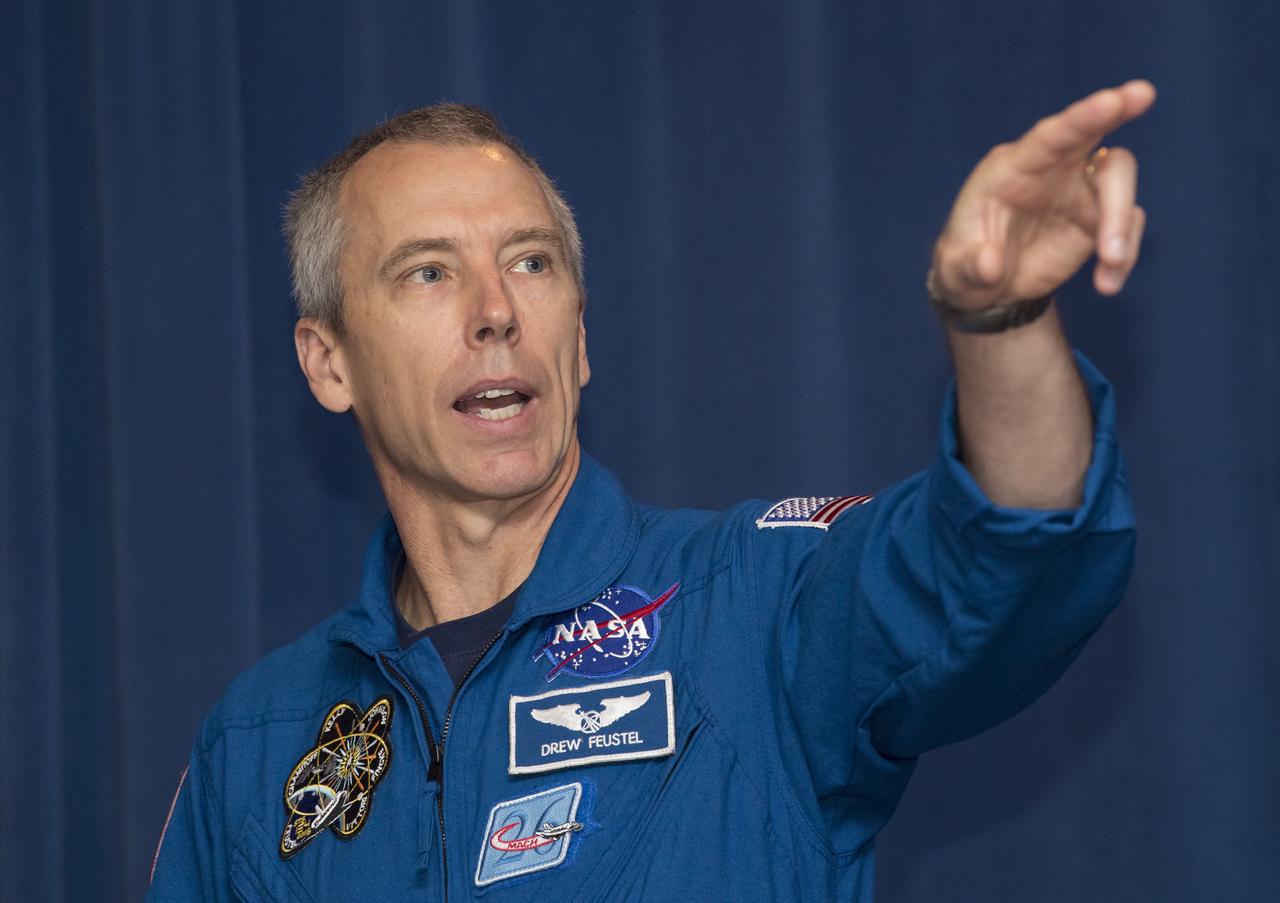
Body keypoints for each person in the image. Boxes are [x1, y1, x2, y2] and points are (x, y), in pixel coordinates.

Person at [147, 80, 1154, 900]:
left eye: (530, 263)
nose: (496, 312)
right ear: (328, 365)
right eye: (427, 274)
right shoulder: (261, 739)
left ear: (578, 339)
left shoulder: (749, 609)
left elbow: (1003, 553)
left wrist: (1001, 322)